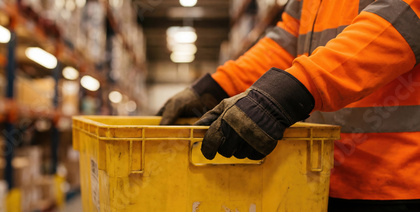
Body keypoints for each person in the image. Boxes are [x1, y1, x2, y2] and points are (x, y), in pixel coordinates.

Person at [157, 0, 420, 211]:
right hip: (321, 174)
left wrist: (292, 91)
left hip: (399, 181)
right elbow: (285, 43)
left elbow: (402, 19)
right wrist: (217, 88)